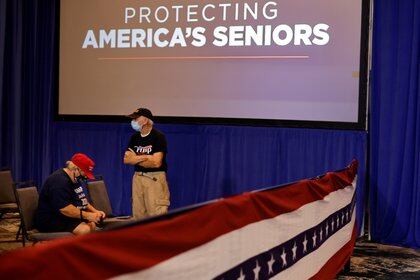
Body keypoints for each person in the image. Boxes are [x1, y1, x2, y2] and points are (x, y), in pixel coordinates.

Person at [36, 153, 106, 235]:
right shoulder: (59, 181)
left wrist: (95, 211)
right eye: (84, 173)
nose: (85, 177)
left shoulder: (74, 179)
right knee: (85, 229)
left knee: (92, 224)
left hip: (64, 217)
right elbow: (65, 209)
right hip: (50, 219)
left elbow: (82, 200)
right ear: (76, 168)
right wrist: (88, 216)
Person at [124, 107, 170, 219]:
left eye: (136, 119)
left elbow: (156, 163)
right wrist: (147, 158)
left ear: (145, 120)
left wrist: (136, 158)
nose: (133, 122)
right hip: (137, 178)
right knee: (138, 215)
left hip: (154, 179)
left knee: (156, 215)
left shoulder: (158, 137)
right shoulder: (134, 138)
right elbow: (126, 159)